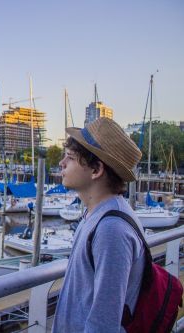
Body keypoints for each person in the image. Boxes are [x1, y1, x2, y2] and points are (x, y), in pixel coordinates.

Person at [52, 117, 144, 332]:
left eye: (70, 158)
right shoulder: (95, 215)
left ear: (96, 170)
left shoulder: (111, 228)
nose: (61, 163)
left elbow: (104, 323)